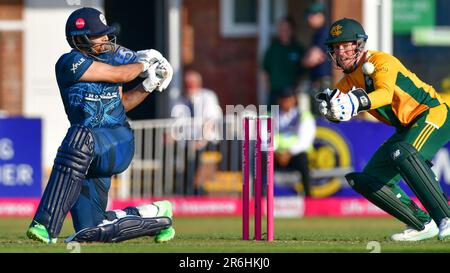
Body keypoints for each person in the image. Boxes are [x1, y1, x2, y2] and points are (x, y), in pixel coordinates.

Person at [26, 7, 175, 244]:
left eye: (106, 34)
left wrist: (150, 83)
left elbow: (120, 104)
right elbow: (120, 76)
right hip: (86, 154)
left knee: (79, 136)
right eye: (99, 35)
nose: (106, 39)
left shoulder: (112, 58)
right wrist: (144, 64)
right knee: (92, 230)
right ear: (80, 38)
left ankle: (45, 224)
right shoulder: (69, 63)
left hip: (117, 141)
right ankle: (156, 215)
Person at [316, 18, 450, 241]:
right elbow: (337, 105)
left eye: (346, 45)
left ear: (359, 44)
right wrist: (329, 110)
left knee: (403, 152)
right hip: (406, 127)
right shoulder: (348, 81)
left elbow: (385, 94)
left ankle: (445, 216)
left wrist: (354, 103)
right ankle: (422, 224)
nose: (341, 52)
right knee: (368, 179)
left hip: (433, 113)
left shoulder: (381, 61)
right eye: (336, 47)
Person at [171, 70, 222, 194]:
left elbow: (211, 120)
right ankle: (187, 193)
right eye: (187, 84)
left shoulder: (208, 96)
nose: (189, 87)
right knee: (185, 168)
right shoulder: (180, 100)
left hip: (208, 141)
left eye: (192, 84)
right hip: (188, 143)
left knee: (198, 168)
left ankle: (198, 194)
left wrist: (202, 140)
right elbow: (177, 123)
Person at [274, 87, 316, 197]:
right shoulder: (272, 116)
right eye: (283, 99)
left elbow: (305, 140)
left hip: (295, 155)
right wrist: (275, 153)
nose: (286, 102)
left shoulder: (304, 116)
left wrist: (288, 153)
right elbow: (266, 137)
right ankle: (261, 196)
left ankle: (308, 198)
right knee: (262, 161)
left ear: (294, 100)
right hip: (276, 155)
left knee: (303, 161)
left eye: (289, 98)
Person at [263, 16, 305, 107]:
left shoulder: (298, 49)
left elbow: (303, 71)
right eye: (282, 29)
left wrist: (298, 89)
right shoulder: (272, 49)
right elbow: (265, 69)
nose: (284, 32)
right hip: (274, 92)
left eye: (287, 29)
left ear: (292, 30)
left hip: (291, 93)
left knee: (289, 120)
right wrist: (267, 86)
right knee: (271, 118)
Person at [302, 2, 332, 116]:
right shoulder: (317, 34)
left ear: (321, 16)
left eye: (313, 15)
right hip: (318, 81)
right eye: (309, 15)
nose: (310, 18)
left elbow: (312, 59)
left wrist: (305, 60)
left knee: (323, 116)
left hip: (323, 82)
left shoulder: (324, 33)